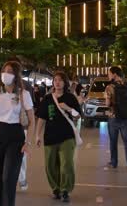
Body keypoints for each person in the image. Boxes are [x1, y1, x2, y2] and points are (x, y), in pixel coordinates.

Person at [0, 61, 35, 206]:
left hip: (15, 136)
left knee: (9, 178)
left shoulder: (24, 94)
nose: (6, 74)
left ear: (16, 75)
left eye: (10, 71)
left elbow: (32, 121)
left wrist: (27, 142)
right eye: (4, 71)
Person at [35, 72, 82, 203]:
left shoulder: (70, 98)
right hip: (50, 137)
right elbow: (41, 118)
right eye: (55, 80)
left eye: (60, 80)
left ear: (65, 83)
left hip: (67, 137)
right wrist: (38, 135)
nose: (57, 82)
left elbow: (78, 116)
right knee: (50, 165)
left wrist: (68, 108)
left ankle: (65, 190)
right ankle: (55, 188)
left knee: (66, 164)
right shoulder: (47, 99)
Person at [7, 56, 33, 191]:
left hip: (21, 126)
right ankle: (13, 180)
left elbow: (30, 110)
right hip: (5, 128)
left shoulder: (26, 87)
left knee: (21, 156)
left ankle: (21, 179)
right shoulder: (1, 87)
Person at [105, 66, 127, 172]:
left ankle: (114, 162)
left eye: (109, 73)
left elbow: (108, 103)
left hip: (114, 117)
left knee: (113, 141)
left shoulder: (110, 87)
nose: (108, 75)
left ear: (114, 74)